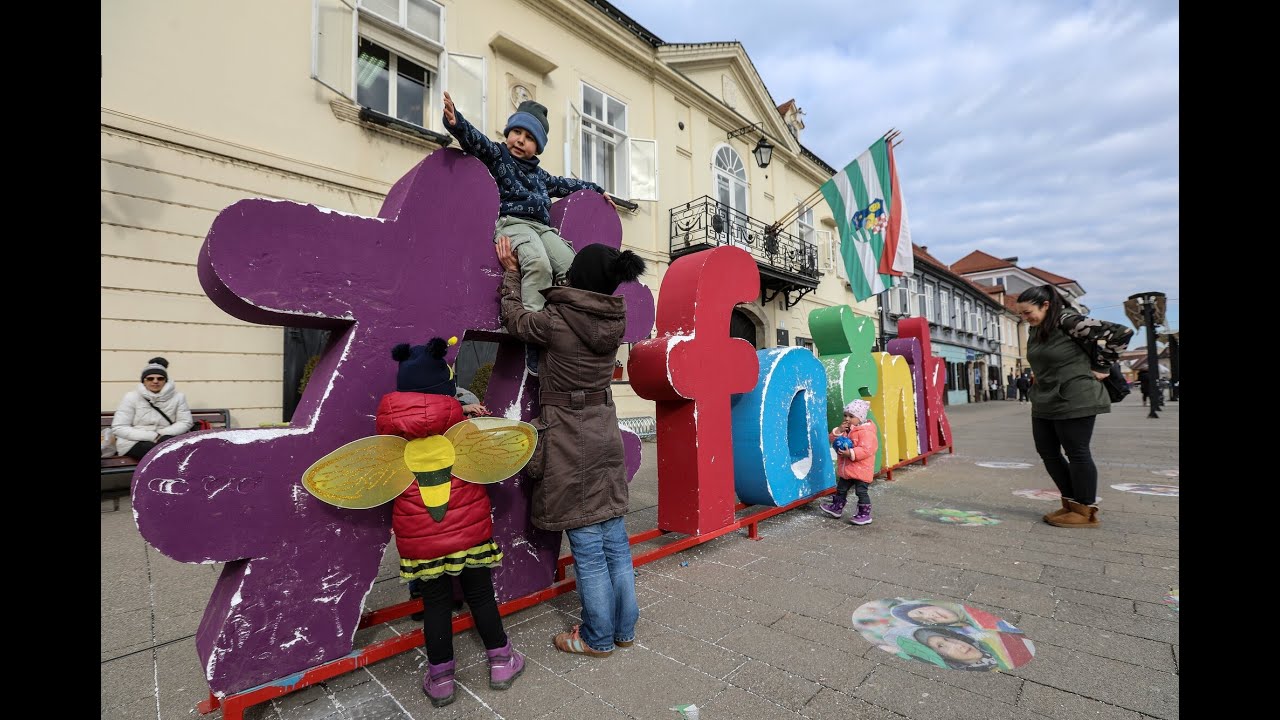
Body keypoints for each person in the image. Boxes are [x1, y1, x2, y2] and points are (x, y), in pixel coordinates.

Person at [495, 236, 645, 658]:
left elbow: (514, 318)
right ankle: (624, 628)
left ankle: (597, 638)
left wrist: (510, 273)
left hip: (566, 433)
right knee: (614, 536)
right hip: (603, 426)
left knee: (587, 542)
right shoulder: (614, 320)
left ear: (577, 277)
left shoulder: (557, 319)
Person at [376, 338, 523, 707]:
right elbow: (495, 459)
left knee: (436, 605)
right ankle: (502, 661)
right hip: (469, 532)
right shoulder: (462, 424)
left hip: (420, 539)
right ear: (445, 384)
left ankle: (441, 678)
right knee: (480, 595)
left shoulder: (389, 430)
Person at [442, 91, 617, 376]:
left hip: (542, 228)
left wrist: (597, 190)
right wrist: (456, 122)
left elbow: (567, 185)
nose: (520, 140)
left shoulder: (540, 176)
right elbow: (479, 144)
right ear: (509, 133)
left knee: (573, 268)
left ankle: (572, 325)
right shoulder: (499, 156)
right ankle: (534, 340)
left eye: (529, 137)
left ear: (538, 147)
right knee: (537, 264)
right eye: (516, 132)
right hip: (514, 224)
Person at [1016, 285, 1134, 529]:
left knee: (1077, 452)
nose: (1025, 318)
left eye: (1028, 312)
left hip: (1075, 396)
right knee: (1047, 451)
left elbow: (1122, 333)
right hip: (1046, 398)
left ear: (1045, 305)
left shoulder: (1069, 321)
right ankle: (1070, 503)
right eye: (1022, 314)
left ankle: (1085, 510)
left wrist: (1102, 367)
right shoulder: (1036, 329)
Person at [111, 357, 194, 460]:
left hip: (167, 436)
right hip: (134, 441)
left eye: (160, 378)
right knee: (155, 452)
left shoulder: (178, 397)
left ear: (166, 381)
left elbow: (185, 422)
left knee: (169, 448)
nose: (155, 381)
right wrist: (152, 436)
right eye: (150, 378)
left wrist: (162, 434)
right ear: (143, 381)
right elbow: (119, 427)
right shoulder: (131, 397)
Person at [819, 399, 879, 525]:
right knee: (841, 489)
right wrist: (839, 430)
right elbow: (832, 439)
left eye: (851, 416)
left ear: (860, 418)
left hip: (861, 470)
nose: (847, 418)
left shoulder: (866, 432)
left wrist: (850, 453)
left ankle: (864, 514)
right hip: (848, 469)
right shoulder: (847, 429)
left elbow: (867, 449)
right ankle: (837, 508)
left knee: (861, 492)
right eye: (845, 415)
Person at [911, 627, 1002, 672]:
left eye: (947, 638)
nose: (956, 644)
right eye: (941, 646)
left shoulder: (993, 643)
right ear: (939, 656)